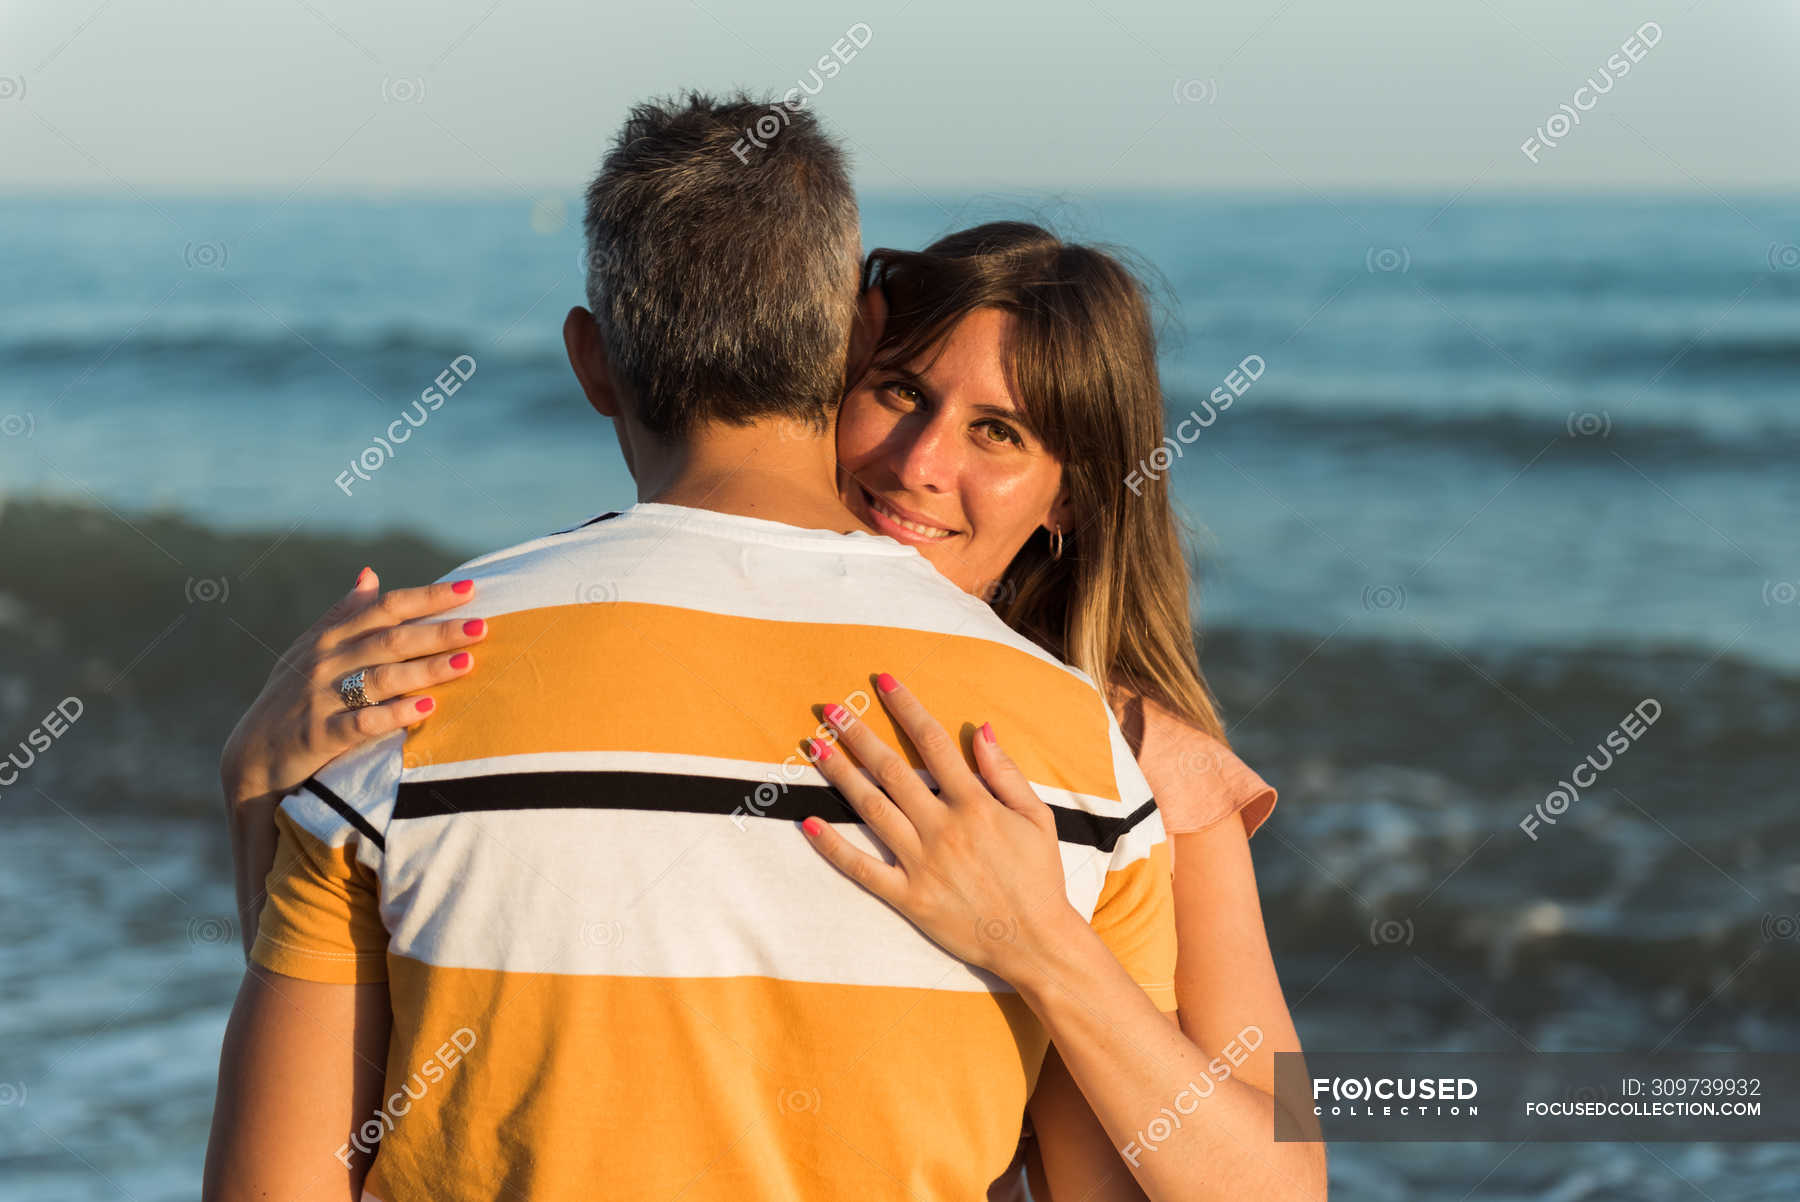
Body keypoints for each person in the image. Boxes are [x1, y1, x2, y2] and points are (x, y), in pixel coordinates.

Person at [217, 215, 1328, 1198]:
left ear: (1072, 498)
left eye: (1000, 432)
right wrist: (263, 799)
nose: (920, 462)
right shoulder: (627, 646)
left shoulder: (1144, 769)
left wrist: (1043, 943)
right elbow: (365, 1082)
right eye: (900, 392)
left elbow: (1279, 1171)